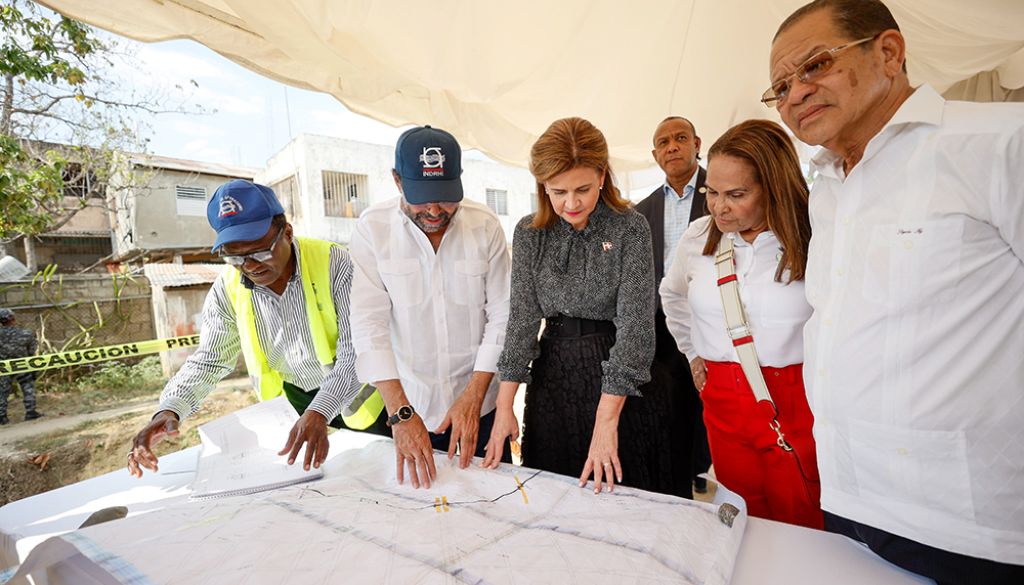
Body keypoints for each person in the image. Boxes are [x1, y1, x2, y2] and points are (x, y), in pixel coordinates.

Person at [768, 0, 1024, 581]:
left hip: (973, 523)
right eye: (781, 87)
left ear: (888, 52)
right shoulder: (827, 186)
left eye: (815, 66)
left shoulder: (997, 143)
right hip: (850, 501)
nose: (796, 94)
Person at [127, 180, 385, 478]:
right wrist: (169, 409)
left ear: (287, 232)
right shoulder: (228, 287)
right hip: (293, 404)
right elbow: (211, 358)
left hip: (360, 401)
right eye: (235, 257)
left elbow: (358, 351)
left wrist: (320, 411)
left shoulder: (335, 263)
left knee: (374, 480)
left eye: (260, 251)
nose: (249, 265)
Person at [485, 117, 664, 496]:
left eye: (582, 189)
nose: (571, 203)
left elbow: (635, 326)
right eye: (557, 191)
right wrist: (505, 407)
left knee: (617, 491)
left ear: (602, 174)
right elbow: (521, 322)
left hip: (617, 381)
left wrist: (606, 421)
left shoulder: (629, 228)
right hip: (553, 381)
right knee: (552, 492)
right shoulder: (529, 234)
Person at [660, 119, 820, 528]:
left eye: (737, 195)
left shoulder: (815, 237)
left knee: (803, 524)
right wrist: (693, 353)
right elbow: (672, 294)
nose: (719, 207)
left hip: (797, 406)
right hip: (721, 406)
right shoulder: (699, 237)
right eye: (711, 192)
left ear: (774, 187)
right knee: (741, 525)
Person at [349, 125, 512, 489]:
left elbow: (503, 313)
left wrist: (474, 394)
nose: (436, 210)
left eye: (446, 196)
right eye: (423, 198)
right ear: (397, 181)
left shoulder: (485, 225)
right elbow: (368, 323)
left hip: (479, 409)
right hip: (410, 409)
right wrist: (400, 413)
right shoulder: (372, 229)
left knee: (494, 510)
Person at [634, 116, 711, 498]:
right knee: (672, 402)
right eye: (663, 142)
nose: (672, 147)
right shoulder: (642, 210)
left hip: (712, 321)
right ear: (655, 154)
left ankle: (704, 467)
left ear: (697, 143)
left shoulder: (721, 192)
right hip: (661, 326)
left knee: (711, 402)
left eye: (681, 138)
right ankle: (681, 474)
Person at [0, 308, 43, 425]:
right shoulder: (26, 333)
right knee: (27, 387)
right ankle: (30, 412)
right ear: (13, 319)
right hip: (22, 365)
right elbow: (32, 350)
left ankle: (2, 416)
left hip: (4, 366)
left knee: (2, 391)